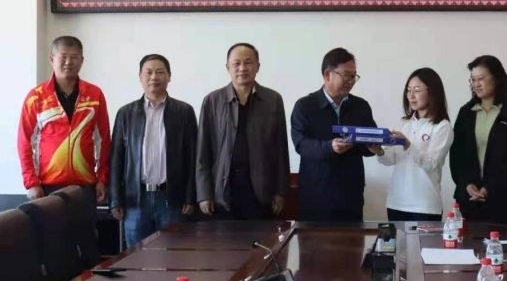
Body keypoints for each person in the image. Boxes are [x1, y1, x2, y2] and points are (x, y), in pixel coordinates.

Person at [109, 54, 198, 248]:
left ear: (169, 76)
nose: (154, 77)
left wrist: (191, 197)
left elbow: (193, 158)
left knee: (173, 256)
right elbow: (116, 159)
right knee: (136, 258)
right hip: (135, 200)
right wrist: (115, 200)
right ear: (140, 77)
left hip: (171, 200)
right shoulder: (126, 114)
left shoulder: (184, 112)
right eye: (148, 72)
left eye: (160, 72)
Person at [196, 43, 289, 220]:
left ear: (258, 66)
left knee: (261, 237)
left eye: (248, 62)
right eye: (236, 63)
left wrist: (281, 192)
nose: (242, 68)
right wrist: (204, 194)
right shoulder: (212, 101)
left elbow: (280, 149)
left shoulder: (272, 100)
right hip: (223, 191)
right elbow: (203, 152)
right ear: (228, 67)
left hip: (261, 190)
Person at [18, 36, 110, 209]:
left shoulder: (95, 95)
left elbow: (103, 140)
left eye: (74, 57)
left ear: (82, 60)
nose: (68, 62)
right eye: (63, 56)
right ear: (52, 59)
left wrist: (103, 178)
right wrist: (31, 182)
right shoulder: (36, 97)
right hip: (47, 186)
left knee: (84, 228)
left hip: (85, 185)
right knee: (49, 228)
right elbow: (24, 142)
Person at [291, 47, 377, 222]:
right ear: (327, 74)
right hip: (316, 196)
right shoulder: (305, 106)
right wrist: (330, 147)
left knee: (353, 240)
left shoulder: (360, 106)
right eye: (346, 75)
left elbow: (367, 144)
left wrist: (374, 147)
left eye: (354, 76)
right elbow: (301, 145)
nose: (351, 81)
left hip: (351, 196)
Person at [449, 55, 507, 225]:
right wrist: (467, 184)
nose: (476, 84)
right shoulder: (466, 113)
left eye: (481, 79)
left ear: (497, 78)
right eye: (473, 80)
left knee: (501, 242)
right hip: (468, 198)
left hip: (502, 200)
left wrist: (489, 188)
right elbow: (456, 156)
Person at [370, 68, 454, 222]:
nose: (411, 96)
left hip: (425, 206)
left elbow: (431, 163)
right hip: (396, 203)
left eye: (417, 90)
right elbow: (391, 159)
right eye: (408, 90)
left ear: (432, 92)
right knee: (396, 240)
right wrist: (379, 151)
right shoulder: (404, 123)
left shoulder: (442, 126)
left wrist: (408, 144)